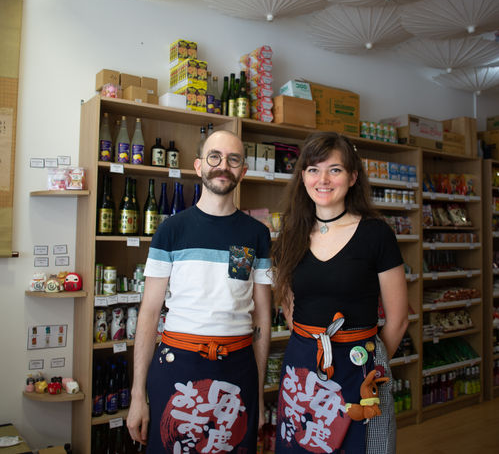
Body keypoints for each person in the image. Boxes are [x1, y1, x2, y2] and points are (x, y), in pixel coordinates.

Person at [127, 130, 272, 453]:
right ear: (198, 166)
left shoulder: (257, 234)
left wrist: (260, 393)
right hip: (178, 366)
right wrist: (138, 395)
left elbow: (262, 315)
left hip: (238, 367)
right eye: (215, 157)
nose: (223, 165)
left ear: (243, 171)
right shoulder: (170, 231)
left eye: (233, 159)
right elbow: (149, 313)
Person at [272, 132, 408, 453]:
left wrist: (368, 362)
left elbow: (399, 318)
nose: (323, 179)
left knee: (364, 446)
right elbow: (290, 304)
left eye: (334, 170)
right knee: (301, 445)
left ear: (352, 177)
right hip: (303, 368)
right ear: (303, 176)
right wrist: (313, 345)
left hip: (361, 368)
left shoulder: (376, 233)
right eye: (313, 169)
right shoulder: (292, 232)